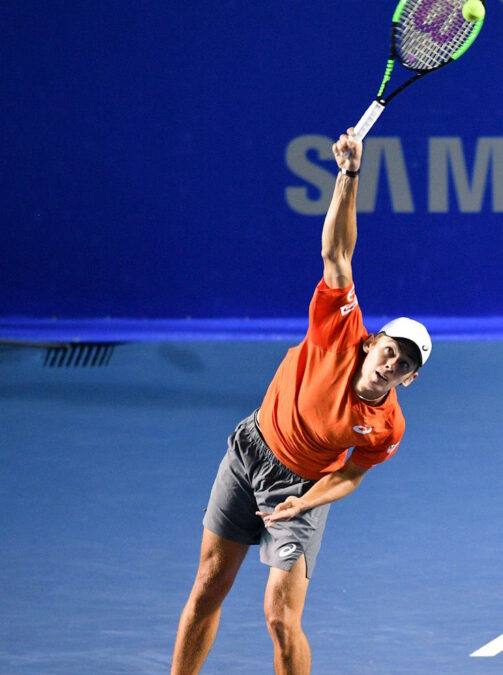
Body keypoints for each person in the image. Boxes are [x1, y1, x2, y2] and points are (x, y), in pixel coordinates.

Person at [171, 129, 430, 674]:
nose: (392, 363)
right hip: (249, 453)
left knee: (279, 617)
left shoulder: (385, 427)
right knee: (207, 588)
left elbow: (352, 475)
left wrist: (304, 504)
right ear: (372, 342)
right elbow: (337, 250)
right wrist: (349, 174)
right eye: (390, 350)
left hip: (304, 488)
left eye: (405, 364)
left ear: (407, 379)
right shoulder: (338, 328)